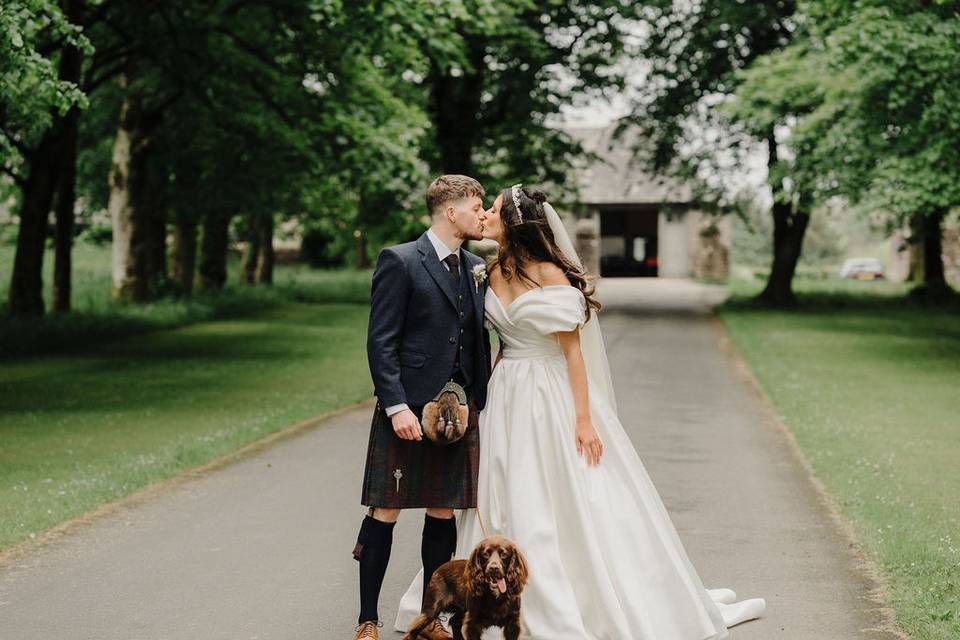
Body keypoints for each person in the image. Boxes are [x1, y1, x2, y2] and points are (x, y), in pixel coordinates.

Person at [394, 185, 766, 639]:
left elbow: (573, 355)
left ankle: (579, 596)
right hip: (506, 391)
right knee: (497, 485)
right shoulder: (487, 273)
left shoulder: (550, 273)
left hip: (550, 393)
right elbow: (491, 346)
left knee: (562, 489)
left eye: (493, 210)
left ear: (514, 223)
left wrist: (584, 419)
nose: (486, 216)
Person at [352, 175, 493, 640]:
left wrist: (479, 399)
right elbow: (381, 341)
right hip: (408, 410)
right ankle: (366, 620)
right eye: (476, 206)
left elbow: (474, 339)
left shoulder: (475, 265)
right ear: (451, 212)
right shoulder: (401, 260)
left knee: (442, 512)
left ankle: (433, 619)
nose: (483, 214)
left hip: (457, 416)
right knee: (386, 510)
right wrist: (396, 406)